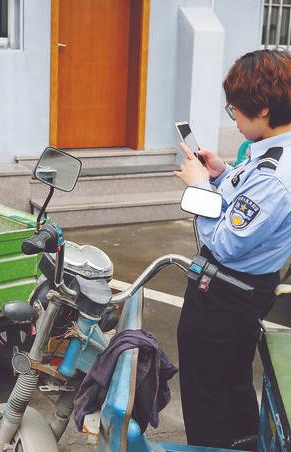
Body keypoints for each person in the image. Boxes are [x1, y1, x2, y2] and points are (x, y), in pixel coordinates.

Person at [174, 49, 291, 449]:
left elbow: (225, 242)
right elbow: (247, 197)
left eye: (235, 111)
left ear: (261, 109)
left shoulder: (277, 178)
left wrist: (198, 187)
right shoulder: (272, 151)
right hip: (239, 298)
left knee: (206, 398)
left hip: (223, 299)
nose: (235, 119)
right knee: (233, 385)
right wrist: (221, 173)